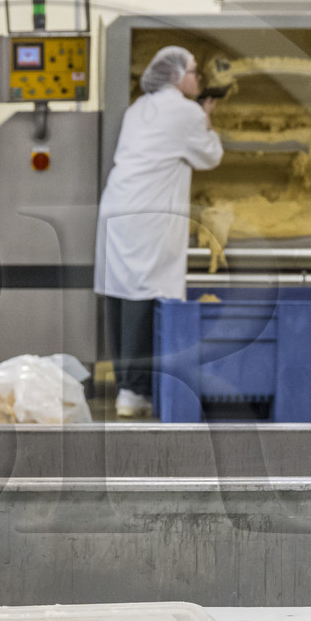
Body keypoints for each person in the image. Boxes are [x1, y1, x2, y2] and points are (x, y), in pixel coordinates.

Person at [94, 46, 223, 418]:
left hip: (118, 207)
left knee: (121, 295)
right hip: (147, 215)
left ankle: (127, 386)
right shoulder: (186, 111)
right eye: (194, 72)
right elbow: (211, 156)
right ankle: (135, 392)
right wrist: (206, 116)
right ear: (177, 76)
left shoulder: (138, 107)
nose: (198, 79)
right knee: (143, 296)